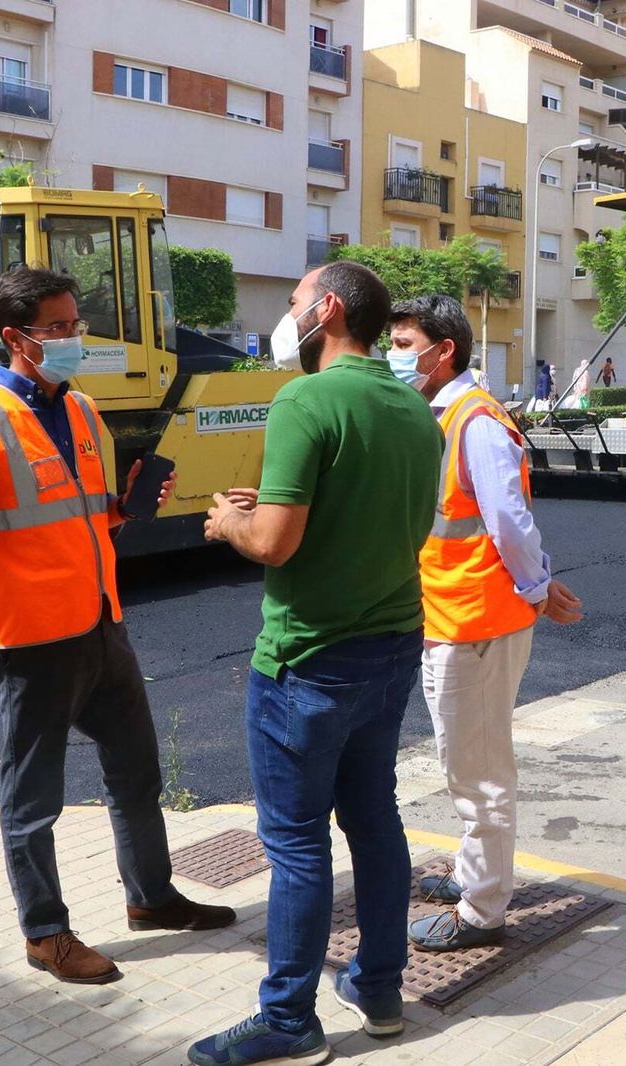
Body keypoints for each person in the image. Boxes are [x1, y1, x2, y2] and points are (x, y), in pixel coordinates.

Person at [0, 266, 235, 988]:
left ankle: (151, 898)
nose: (73, 338)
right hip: (31, 640)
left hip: (101, 625)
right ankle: (46, 933)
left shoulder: (84, 412)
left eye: (75, 324)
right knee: (33, 800)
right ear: (16, 337)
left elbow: (87, 520)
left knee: (137, 773)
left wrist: (129, 505)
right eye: (58, 329)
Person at [194, 261, 442, 1066]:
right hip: (394, 644)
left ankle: (290, 1020)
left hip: (308, 659)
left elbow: (273, 541)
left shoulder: (306, 398)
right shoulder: (414, 405)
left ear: (328, 310)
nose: (286, 314)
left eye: (294, 302)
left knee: (297, 844)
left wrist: (227, 523)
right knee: (374, 821)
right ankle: (378, 987)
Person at [382, 296, 582, 952]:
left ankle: (482, 910)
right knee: (466, 761)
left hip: (478, 622)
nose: (395, 354)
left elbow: (508, 521)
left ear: (445, 350)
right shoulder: (439, 415)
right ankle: (476, 875)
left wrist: (538, 587)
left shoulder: (476, 423)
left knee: (481, 768)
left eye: (405, 342)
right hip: (454, 616)